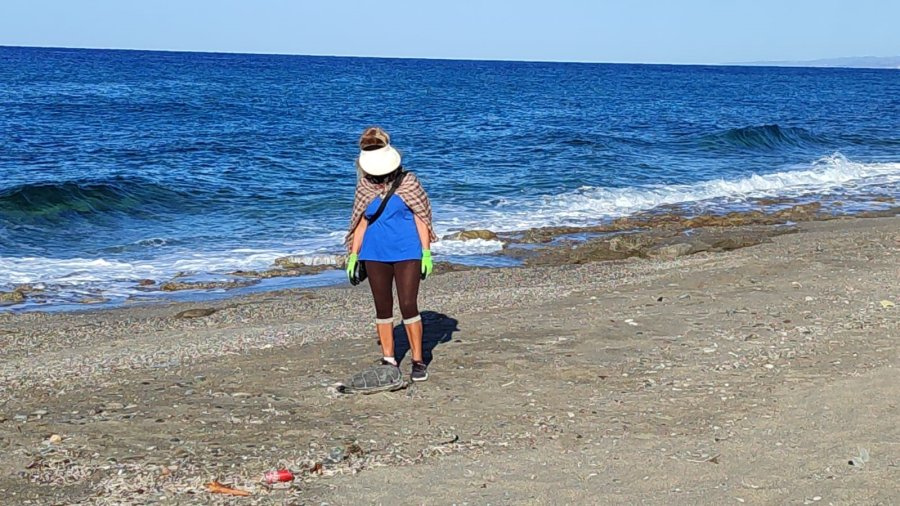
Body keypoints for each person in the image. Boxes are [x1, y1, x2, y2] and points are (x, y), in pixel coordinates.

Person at [345, 127, 438, 382]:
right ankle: (389, 358)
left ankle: (418, 360)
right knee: (382, 307)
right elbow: (360, 223)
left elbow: (422, 218)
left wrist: (426, 252)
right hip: (374, 253)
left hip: (408, 251)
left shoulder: (409, 182)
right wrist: (353, 255)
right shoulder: (364, 185)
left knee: (408, 305)